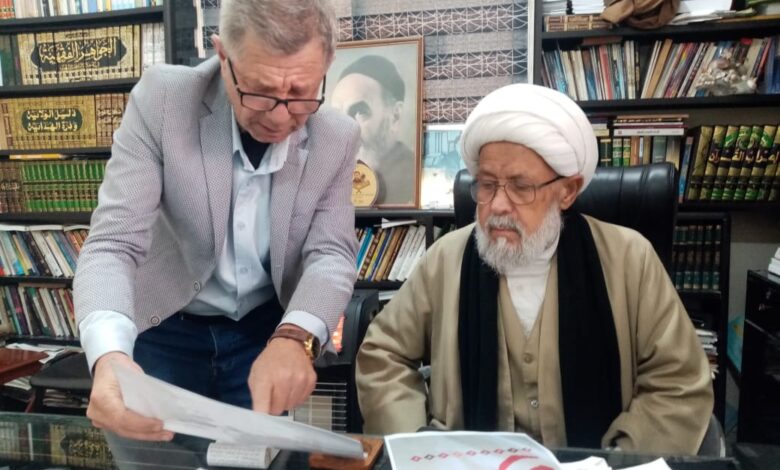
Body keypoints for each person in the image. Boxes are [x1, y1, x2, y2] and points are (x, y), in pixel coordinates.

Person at [356, 84, 713, 454]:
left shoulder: (629, 258)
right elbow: (384, 354)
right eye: (487, 185)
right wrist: (419, 448)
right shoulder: (446, 258)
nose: (498, 205)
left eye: (521, 187)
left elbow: (678, 381)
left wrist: (621, 459)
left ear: (567, 191)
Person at [74, 0, 359, 441]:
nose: (280, 117)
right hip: (163, 327)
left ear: (327, 64)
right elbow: (114, 243)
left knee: (261, 458)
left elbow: (331, 252)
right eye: (260, 91)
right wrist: (109, 355)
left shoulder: (337, 136)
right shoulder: (163, 101)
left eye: (301, 93)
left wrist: (296, 336)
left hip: (265, 335)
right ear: (223, 56)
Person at [330, 55, 415, 206]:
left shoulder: (413, 178)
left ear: (395, 116)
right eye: (337, 116)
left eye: (360, 112)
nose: (344, 130)